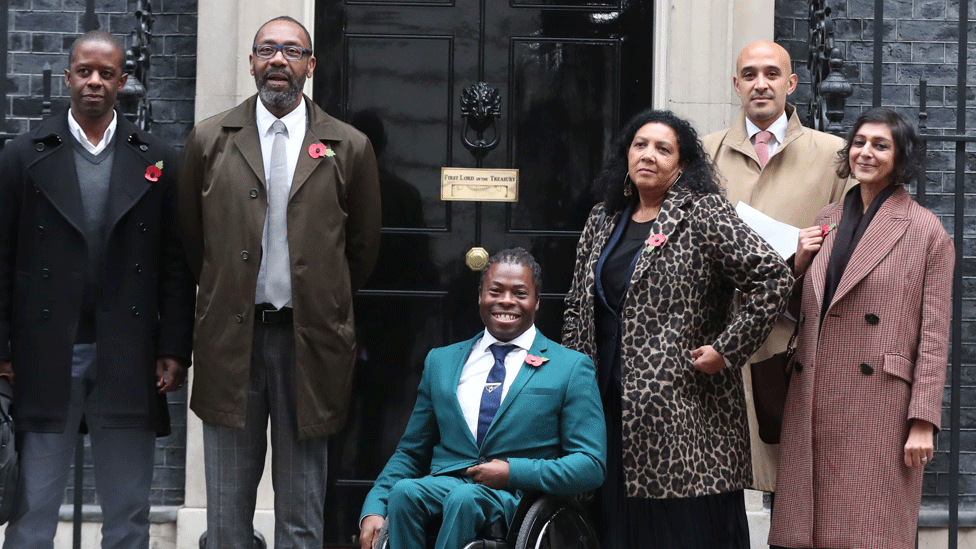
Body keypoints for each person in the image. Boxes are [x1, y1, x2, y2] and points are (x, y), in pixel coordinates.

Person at [177, 16, 381, 549]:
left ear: (311, 66)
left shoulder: (349, 145)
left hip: (308, 345)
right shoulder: (208, 140)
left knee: (300, 516)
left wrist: (318, 298)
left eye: (292, 51)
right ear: (250, 62)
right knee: (224, 520)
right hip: (231, 344)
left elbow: (360, 249)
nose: (278, 60)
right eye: (267, 49)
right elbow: (193, 244)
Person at [562, 109, 793, 549]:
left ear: (682, 165)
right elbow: (577, 305)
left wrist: (727, 349)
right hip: (605, 402)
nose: (648, 155)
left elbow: (773, 277)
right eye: (640, 145)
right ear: (626, 156)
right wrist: (570, 379)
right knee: (612, 523)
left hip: (684, 413)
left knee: (679, 531)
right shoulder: (602, 217)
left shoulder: (704, 214)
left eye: (663, 148)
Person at [0, 30, 195, 549]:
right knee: (33, 506)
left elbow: (176, 262)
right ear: (67, 77)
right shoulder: (23, 156)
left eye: (106, 73)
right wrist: (2, 350)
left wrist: (175, 346)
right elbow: (0, 259)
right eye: (84, 71)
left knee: (129, 511)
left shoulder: (157, 157)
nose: (94, 82)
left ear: (122, 82)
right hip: (44, 351)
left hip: (127, 354)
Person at [768, 108, 954, 549]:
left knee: (867, 530)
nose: (865, 152)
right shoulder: (827, 218)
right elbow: (807, 309)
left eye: (880, 145)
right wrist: (797, 264)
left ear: (901, 156)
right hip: (813, 391)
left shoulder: (926, 230)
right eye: (859, 142)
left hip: (880, 405)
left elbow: (934, 335)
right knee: (806, 534)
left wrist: (923, 420)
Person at [359, 248, 606, 549]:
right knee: (405, 493)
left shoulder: (570, 367)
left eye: (520, 293)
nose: (506, 301)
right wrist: (374, 506)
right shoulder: (442, 361)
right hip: (446, 485)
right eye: (496, 291)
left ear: (537, 302)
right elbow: (411, 452)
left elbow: (590, 465)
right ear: (480, 296)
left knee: (465, 499)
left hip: (518, 497)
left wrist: (512, 472)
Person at [703, 40, 850, 491]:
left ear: (791, 83)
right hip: (719, 338)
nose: (760, 84)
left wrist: (797, 275)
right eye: (749, 74)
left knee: (794, 484)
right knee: (718, 477)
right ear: (735, 84)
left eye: (771, 74)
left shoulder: (833, 154)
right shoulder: (704, 153)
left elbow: (847, 246)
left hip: (795, 339)